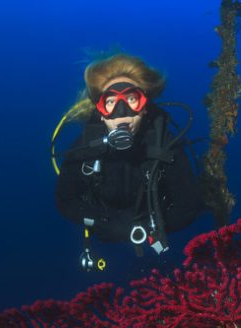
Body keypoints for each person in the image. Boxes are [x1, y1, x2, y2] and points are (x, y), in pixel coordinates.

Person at [54, 53, 204, 267]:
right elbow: (65, 200)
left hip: (153, 242)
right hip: (103, 237)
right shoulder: (85, 147)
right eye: (111, 102)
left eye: (131, 99)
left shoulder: (165, 145)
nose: (121, 113)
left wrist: (149, 228)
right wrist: (103, 222)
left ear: (144, 107)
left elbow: (188, 205)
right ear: (101, 112)